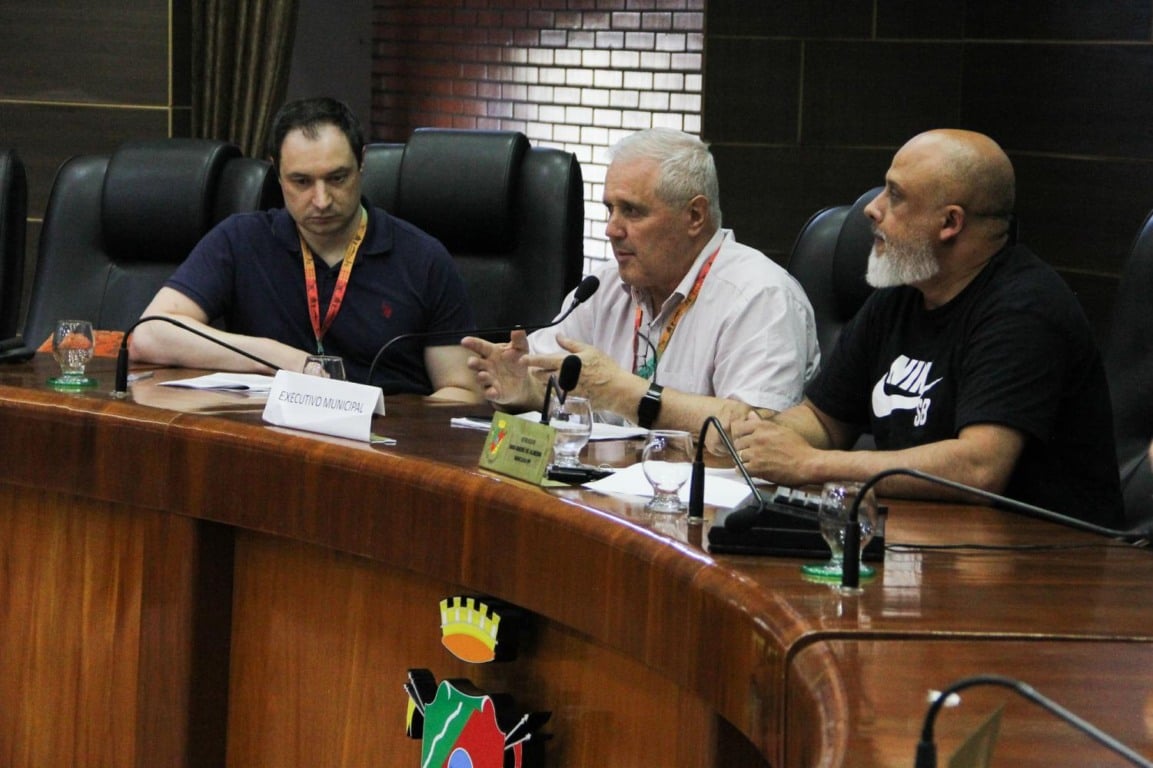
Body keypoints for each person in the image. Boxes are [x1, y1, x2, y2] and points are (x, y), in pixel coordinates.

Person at [732, 128, 1123, 527]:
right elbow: (824, 421)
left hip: (1042, 553)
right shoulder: (901, 294)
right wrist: (764, 434)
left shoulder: (1026, 309)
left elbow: (979, 468)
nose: (871, 208)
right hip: (925, 536)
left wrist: (811, 463)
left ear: (950, 222)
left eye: (895, 195)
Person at [462, 128, 819, 434]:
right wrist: (524, 388)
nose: (611, 229)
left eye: (631, 211)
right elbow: (546, 375)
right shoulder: (603, 288)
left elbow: (754, 435)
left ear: (695, 216)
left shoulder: (760, 297)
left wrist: (625, 393)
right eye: (609, 209)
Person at [129, 96, 481, 402]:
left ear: (361, 163)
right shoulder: (241, 240)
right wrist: (276, 357)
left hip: (381, 441)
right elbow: (149, 334)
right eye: (301, 181)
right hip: (269, 437)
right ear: (277, 173)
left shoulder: (423, 259)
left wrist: (384, 421)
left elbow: (463, 391)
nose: (322, 200)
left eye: (337, 178)